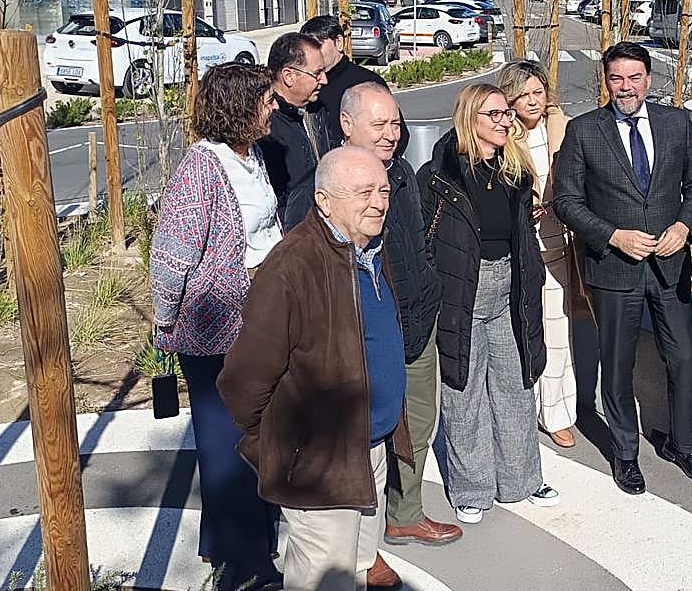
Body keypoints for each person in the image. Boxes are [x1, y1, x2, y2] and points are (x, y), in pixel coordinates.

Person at [218, 146, 411, 591]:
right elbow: (244, 378)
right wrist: (284, 443)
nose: (379, 203)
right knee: (323, 579)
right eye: (364, 192)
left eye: (383, 191)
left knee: (356, 569)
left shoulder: (368, 248)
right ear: (324, 201)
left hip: (369, 449)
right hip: (320, 463)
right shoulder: (292, 266)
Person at [553, 41, 692, 495]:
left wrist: (684, 225)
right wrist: (612, 236)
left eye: (634, 78)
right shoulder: (584, 131)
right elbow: (566, 201)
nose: (626, 87)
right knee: (617, 366)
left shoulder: (675, 123)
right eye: (616, 78)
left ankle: (683, 446)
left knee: (684, 357)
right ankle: (625, 454)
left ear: (649, 79)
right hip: (614, 268)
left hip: (669, 265)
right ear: (606, 81)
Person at [150, 62, 282, 591]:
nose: (275, 106)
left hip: (258, 317)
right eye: (266, 100)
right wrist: (165, 324)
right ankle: (243, 563)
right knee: (226, 442)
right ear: (239, 108)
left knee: (251, 433)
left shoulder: (250, 157)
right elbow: (171, 258)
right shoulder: (200, 170)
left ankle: (228, 542)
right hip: (214, 327)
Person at [337, 83, 461, 583]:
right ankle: (358, 544)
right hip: (373, 332)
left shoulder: (402, 172)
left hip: (418, 318)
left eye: (395, 123)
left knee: (420, 420)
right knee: (368, 435)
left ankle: (405, 514)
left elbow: (419, 241)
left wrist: (429, 287)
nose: (392, 134)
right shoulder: (334, 186)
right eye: (379, 124)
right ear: (347, 125)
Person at [418, 83, 558, 524]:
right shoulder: (439, 174)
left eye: (506, 114)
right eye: (494, 114)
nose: (505, 121)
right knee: (464, 389)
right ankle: (472, 488)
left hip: (510, 284)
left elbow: (521, 231)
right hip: (463, 288)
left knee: (516, 384)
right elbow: (423, 238)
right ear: (470, 118)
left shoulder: (514, 168)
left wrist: (531, 273)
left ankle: (522, 479)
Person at [499, 59, 587, 448]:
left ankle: (556, 413)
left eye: (539, 92)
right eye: (524, 95)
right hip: (516, 247)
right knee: (518, 332)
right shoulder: (502, 133)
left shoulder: (561, 127)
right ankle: (522, 410)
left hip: (556, 245)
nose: (533, 101)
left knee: (557, 332)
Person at [301, 14, 409, 153]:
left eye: (317, 46)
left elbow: (399, 137)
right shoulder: (307, 84)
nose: (312, 53)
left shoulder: (367, 83)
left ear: (339, 42)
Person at [259, 31, 330, 228]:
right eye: (317, 73)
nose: (324, 80)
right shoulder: (266, 127)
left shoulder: (318, 109)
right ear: (289, 76)